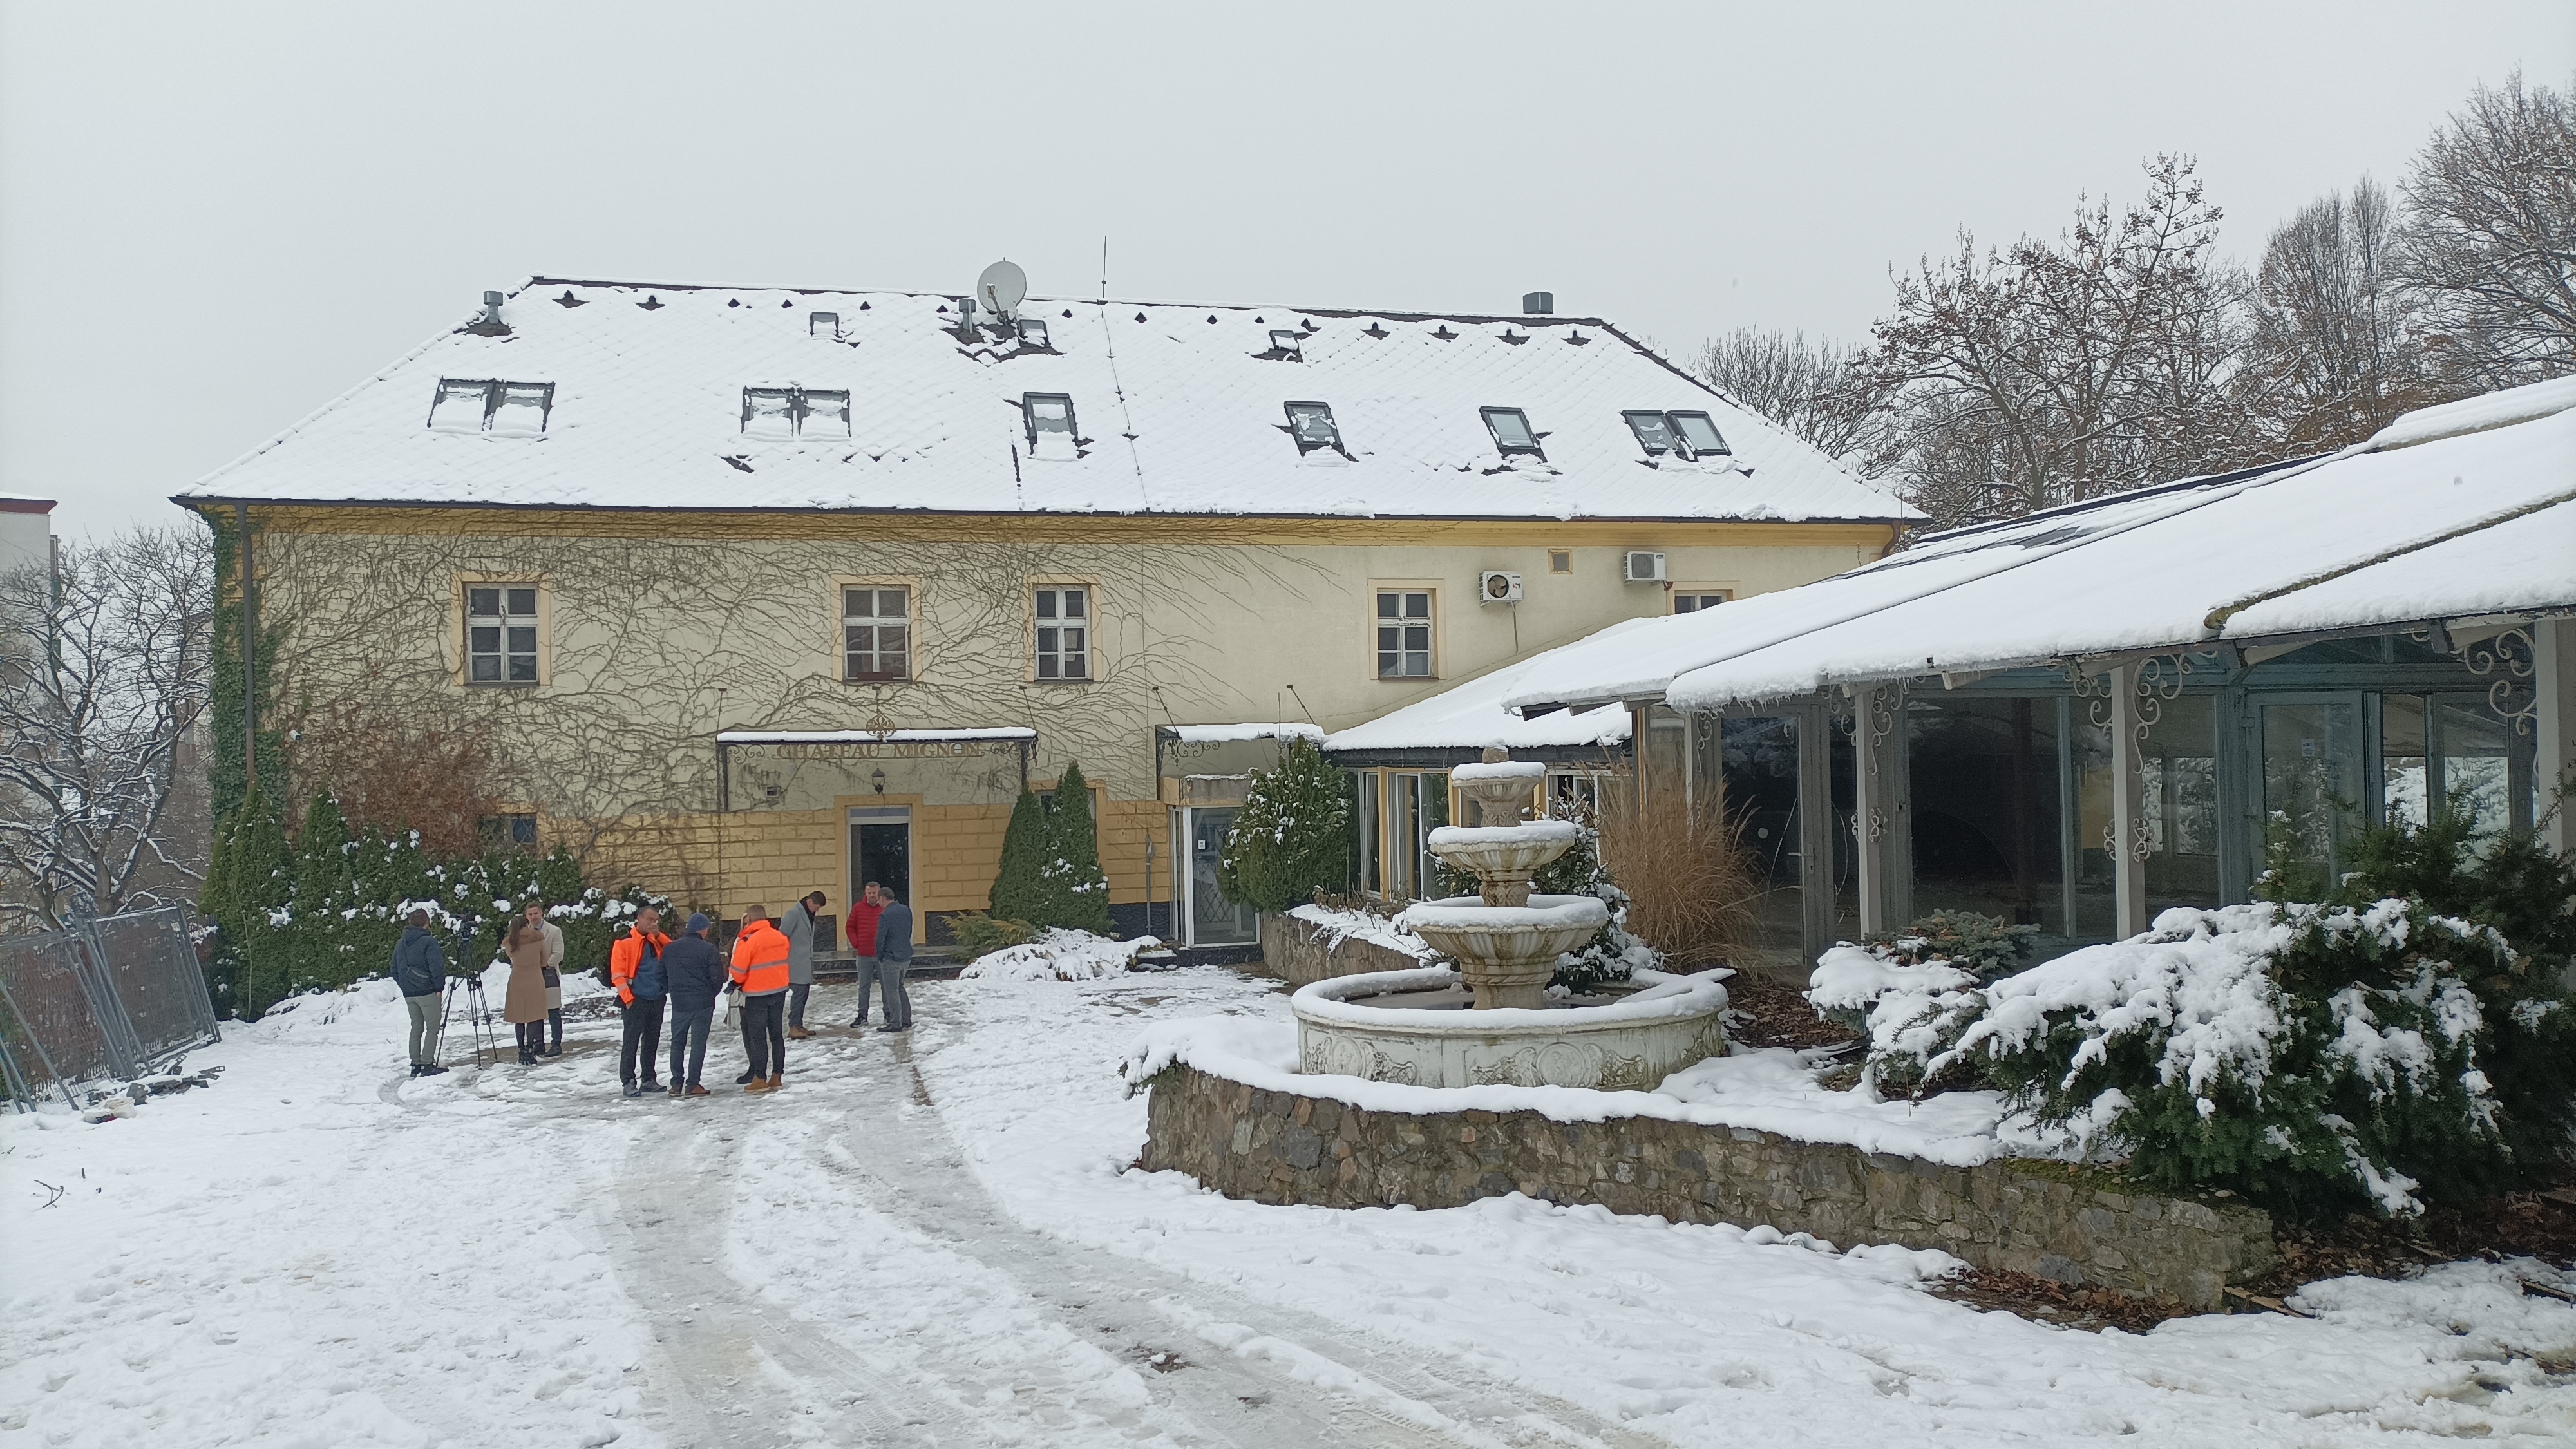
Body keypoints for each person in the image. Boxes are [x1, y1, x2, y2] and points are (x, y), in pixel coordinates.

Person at [608, 905, 670, 1097]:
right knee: (631, 1041)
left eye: (656, 920)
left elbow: (673, 950)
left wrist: (659, 935)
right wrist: (628, 999)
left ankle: (649, 1078)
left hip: (656, 998)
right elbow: (617, 975)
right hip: (636, 999)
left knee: (652, 1040)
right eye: (650, 920)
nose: (653, 924)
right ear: (639, 919)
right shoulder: (624, 942)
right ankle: (628, 1080)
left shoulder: (656, 940)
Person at [661, 913, 726, 1097]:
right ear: (703, 929)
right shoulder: (708, 949)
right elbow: (717, 978)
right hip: (702, 1004)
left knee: (677, 1042)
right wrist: (710, 994)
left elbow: (661, 975)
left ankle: (676, 1084)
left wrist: (674, 991)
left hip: (680, 1003)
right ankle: (693, 1084)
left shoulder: (670, 949)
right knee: (698, 1045)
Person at [730, 906, 792, 1091]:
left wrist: (740, 983)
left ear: (749, 918)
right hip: (779, 991)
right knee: (776, 1034)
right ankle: (777, 1076)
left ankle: (759, 1078)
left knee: (758, 1038)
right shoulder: (779, 937)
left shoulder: (748, 940)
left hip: (756, 994)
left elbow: (738, 972)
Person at [392, 907, 449, 1076]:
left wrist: (405, 986)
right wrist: (438, 987)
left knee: (416, 1027)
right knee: (433, 1027)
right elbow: (436, 967)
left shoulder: (401, 943)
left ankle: (415, 1064)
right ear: (427, 922)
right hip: (427, 991)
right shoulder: (429, 942)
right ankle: (427, 1064)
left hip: (410, 993)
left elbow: (394, 969)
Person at [502, 903, 554, 1066]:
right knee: (533, 1017)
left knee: (520, 1017)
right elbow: (544, 961)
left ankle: (521, 1051)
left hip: (517, 978)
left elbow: (511, 958)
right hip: (534, 977)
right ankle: (531, 1050)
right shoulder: (537, 939)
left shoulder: (510, 943)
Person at [781, 890, 827, 1039]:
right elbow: (782, 934)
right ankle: (793, 1026)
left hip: (804, 962)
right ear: (810, 902)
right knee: (799, 995)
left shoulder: (807, 914)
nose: (817, 911)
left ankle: (798, 1024)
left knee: (804, 994)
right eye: (817, 907)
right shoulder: (794, 914)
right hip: (795, 962)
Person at [871, 886, 914, 1033]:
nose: (878, 903)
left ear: (883, 898)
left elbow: (880, 939)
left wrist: (880, 956)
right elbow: (909, 931)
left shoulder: (885, 915)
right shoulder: (906, 910)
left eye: (879, 900)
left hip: (891, 957)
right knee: (900, 986)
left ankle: (895, 1023)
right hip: (905, 955)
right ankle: (906, 1019)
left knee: (892, 990)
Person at [846, 882, 885, 1029]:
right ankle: (862, 1016)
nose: (872, 896)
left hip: (882, 955)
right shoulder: (858, 908)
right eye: (869, 893)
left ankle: (888, 1014)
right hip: (863, 954)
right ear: (865, 893)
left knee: (886, 986)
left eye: (874, 893)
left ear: (879, 893)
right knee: (864, 987)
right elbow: (850, 927)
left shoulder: (885, 907)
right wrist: (857, 943)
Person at [535, 902, 568, 1056]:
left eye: (536, 913)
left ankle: (556, 1044)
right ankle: (538, 1044)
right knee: (536, 1012)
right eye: (530, 914)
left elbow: (558, 953)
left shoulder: (554, 931)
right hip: (532, 975)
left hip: (549, 973)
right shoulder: (525, 932)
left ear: (541, 913)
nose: (533, 917)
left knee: (553, 1010)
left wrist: (545, 964)